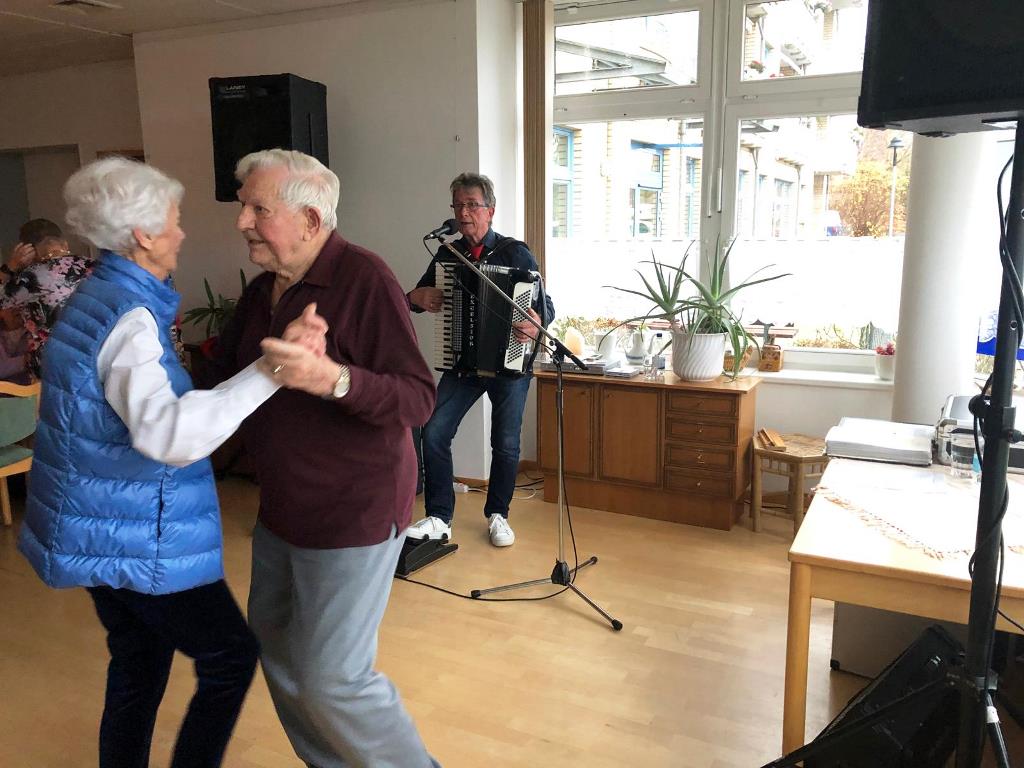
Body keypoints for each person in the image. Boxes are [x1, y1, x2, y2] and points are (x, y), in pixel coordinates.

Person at [16, 157, 321, 768]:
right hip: (136, 536)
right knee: (229, 657)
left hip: (98, 526)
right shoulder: (129, 318)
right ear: (143, 234)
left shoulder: (95, 298)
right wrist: (271, 371)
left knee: (138, 658)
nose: (183, 232)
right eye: (175, 221)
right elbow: (169, 436)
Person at [211, 149, 439, 768]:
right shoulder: (262, 292)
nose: (242, 221)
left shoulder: (365, 278)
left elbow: (417, 398)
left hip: (353, 512)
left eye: (258, 209)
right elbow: (221, 378)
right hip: (283, 510)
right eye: (244, 207)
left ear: (310, 220)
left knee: (332, 678)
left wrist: (332, 378)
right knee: (279, 654)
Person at [406, 172, 555, 548]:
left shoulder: (515, 252)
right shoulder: (447, 253)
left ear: (490, 210)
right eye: (458, 205)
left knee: (505, 443)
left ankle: (498, 515)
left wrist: (536, 322)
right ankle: (439, 517)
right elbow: (418, 297)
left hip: (509, 365)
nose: (464, 212)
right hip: (463, 364)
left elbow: (547, 306)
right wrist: (415, 297)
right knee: (434, 430)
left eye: (472, 205)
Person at [0, 218, 95, 378]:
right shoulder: (95, 266)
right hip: (97, 355)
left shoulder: (30, 278)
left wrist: (10, 266)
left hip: (53, 366)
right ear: (64, 243)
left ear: (28, 251)